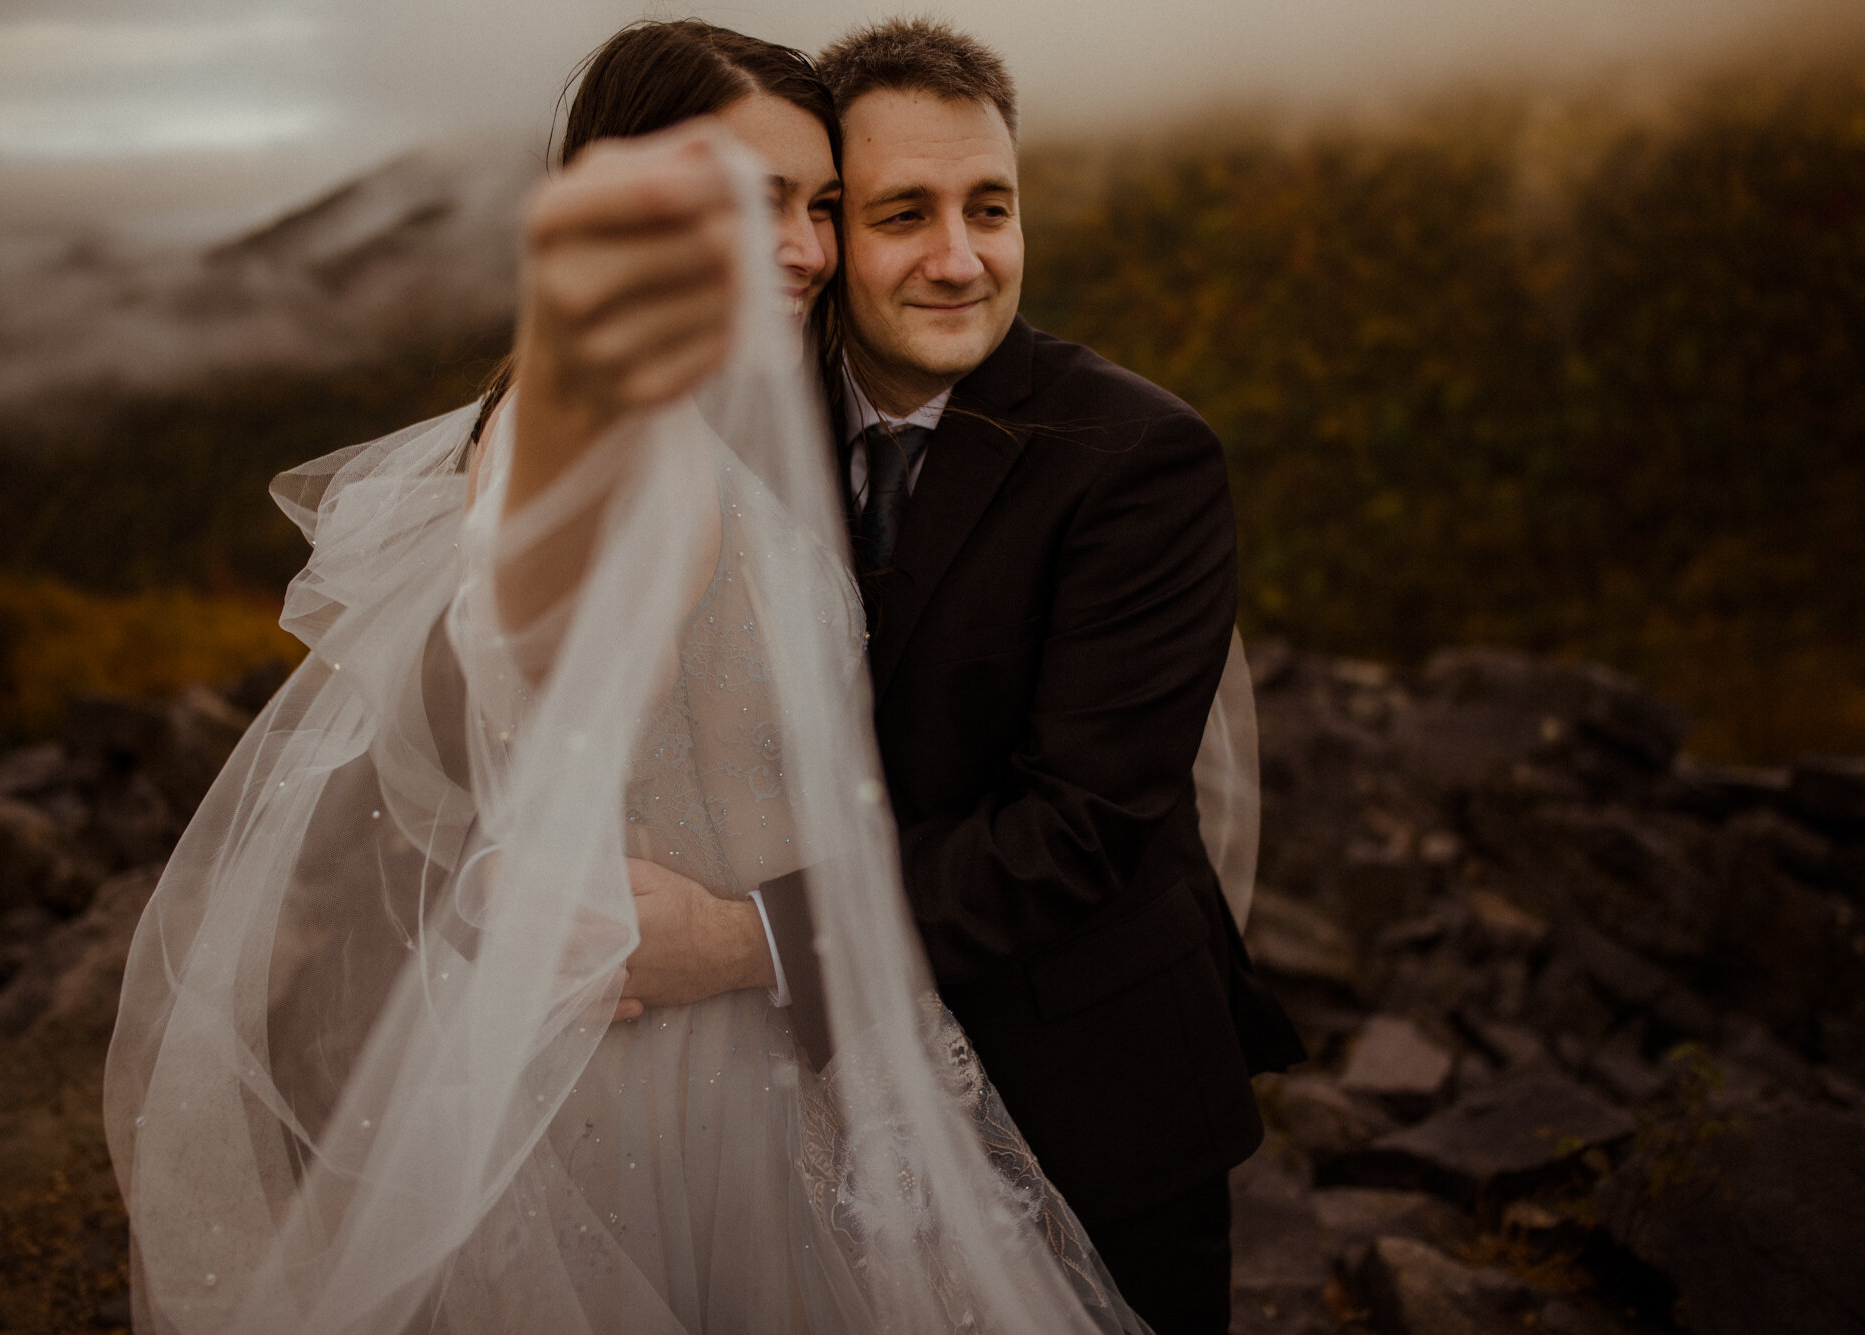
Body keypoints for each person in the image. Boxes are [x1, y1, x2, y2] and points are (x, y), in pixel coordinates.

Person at [105, 20, 1158, 1335]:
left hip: (748, 1024)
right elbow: (553, 656)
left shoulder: (691, 415)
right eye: (753, 196)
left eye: (821, 204)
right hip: (688, 1067)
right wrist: (577, 384)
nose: (810, 248)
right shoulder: (620, 438)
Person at [626, 19, 1305, 1334]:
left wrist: (738, 939)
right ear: (824, 235)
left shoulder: (1139, 459)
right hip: (806, 1111)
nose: (959, 258)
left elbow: (1081, 830)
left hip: (1089, 1098)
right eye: (900, 213)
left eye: (989, 207)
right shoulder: (740, 424)